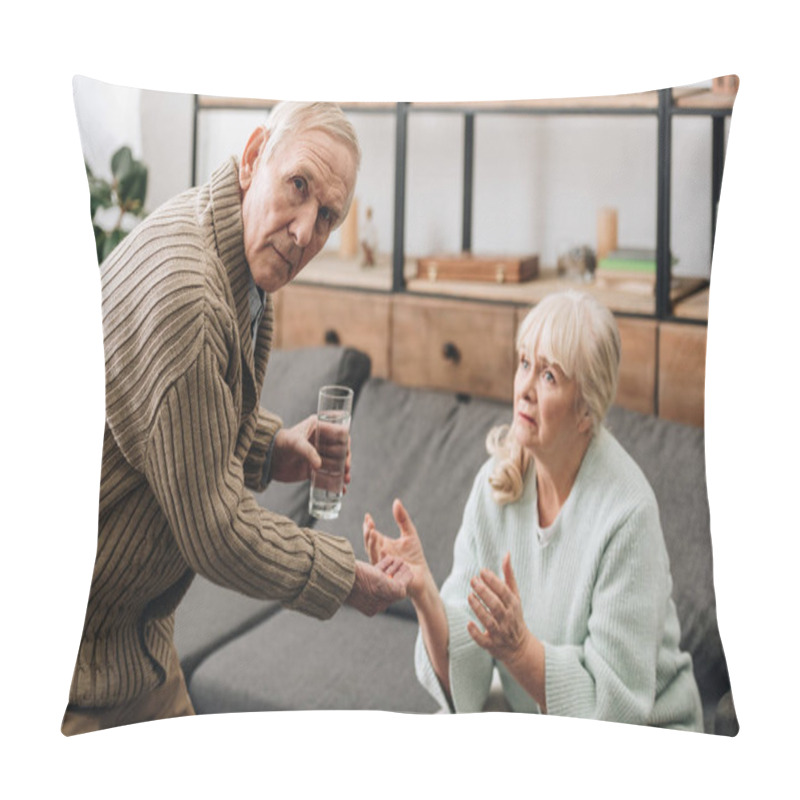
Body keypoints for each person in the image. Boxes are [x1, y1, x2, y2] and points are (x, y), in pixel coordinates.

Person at [62, 101, 411, 736]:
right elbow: (215, 532)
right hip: (72, 670)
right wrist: (342, 580)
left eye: (327, 216)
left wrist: (269, 447)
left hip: (133, 646)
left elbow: (174, 418)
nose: (305, 231)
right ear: (254, 158)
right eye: (298, 187)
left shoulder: (240, 267)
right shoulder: (188, 295)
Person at [363, 289, 703, 731]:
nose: (524, 388)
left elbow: (614, 714)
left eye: (549, 376)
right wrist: (425, 595)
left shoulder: (627, 514)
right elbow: (466, 676)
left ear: (587, 408)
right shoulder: (498, 482)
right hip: (542, 726)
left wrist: (519, 649)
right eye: (525, 363)